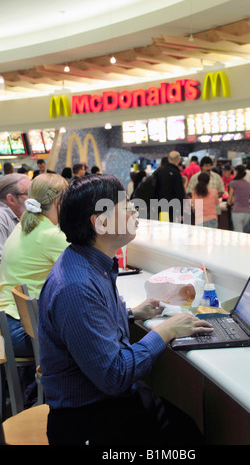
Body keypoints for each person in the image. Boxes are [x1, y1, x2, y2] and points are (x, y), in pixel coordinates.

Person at [38, 174, 213, 446]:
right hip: (87, 418)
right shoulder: (77, 286)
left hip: (103, 402)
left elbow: (92, 329)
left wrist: (132, 314)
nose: (135, 211)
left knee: (186, 426)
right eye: (126, 206)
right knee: (187, 436)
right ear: (101, 222)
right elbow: (114, 376)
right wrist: (165, 331)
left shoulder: (89, 262)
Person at [0, 173, 69, 406]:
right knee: (79, 340)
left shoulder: (24, 226)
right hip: (21, 330)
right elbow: (85, 269)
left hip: (8, 322)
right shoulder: (51, 235)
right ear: (60, 202)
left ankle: (37, 399)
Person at [0, 174, 31, 261]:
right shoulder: (1, 217)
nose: (34, 198)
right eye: (29, 194)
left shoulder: (24, 215)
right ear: (11, 199)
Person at [187, 156, 224, 222]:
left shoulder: (217, 177)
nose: (209, 168)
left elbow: (221, 191)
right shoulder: (195, 177)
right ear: (201, 166)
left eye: (210, 166)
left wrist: (212, 197)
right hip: (199, 211)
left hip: (214, 211)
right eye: (206, 166)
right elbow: (189, 192)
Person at [154, 151, 185, 222]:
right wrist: (181, 212)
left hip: (158, 207)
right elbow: (179, 193)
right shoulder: (176, 173)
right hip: (172, 208)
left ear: (168, 159)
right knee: (172, 229)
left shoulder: (158, 171)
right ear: (178, 160)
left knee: (161, 229)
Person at [227, 165, 250, 233]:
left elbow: (230, 198)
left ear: (236, 171)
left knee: (238, 233)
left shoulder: (233, 183)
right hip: (247, 212)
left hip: (237, 211)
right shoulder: (247, 183)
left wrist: (229, 203)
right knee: (244, 232)